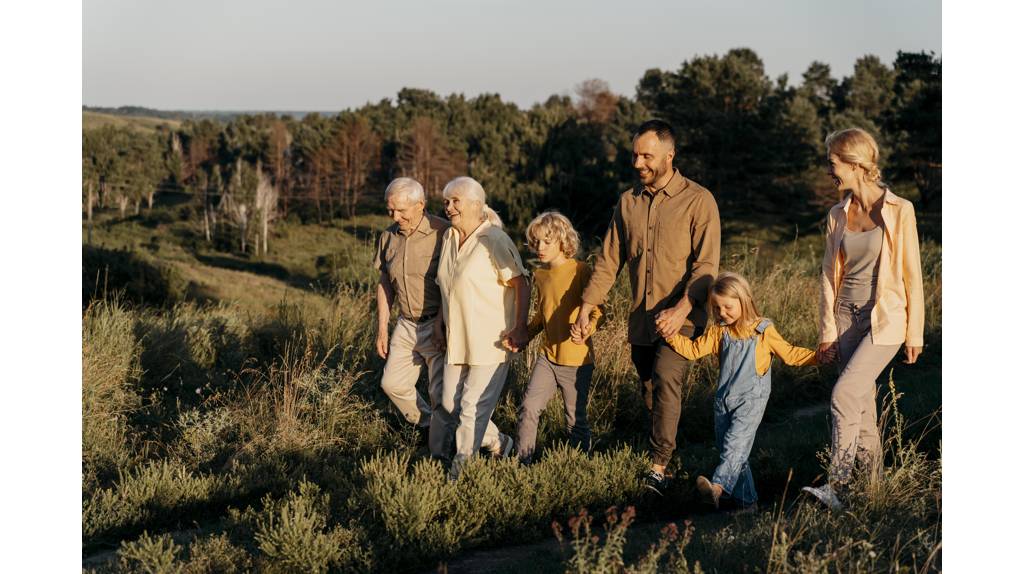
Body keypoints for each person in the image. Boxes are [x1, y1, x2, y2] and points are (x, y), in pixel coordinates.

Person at [572, 119, 721, 494]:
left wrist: (683, 309)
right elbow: (609, 260)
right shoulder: (628, 202)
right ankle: (669, 459)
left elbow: (706, 267)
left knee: (667, 376)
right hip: (643, 317)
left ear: (670, 156)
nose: (639, 163)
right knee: (650, 386)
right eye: (635, 155)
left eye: (647, 156)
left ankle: (658, 466)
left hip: (684, 316)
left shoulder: (698, 200)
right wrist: (588, 305)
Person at [802, 128, 925, 511]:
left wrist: (915, 331)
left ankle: (835, 486)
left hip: (885, 322)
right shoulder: (837, 214)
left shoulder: (899, 210)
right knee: (863, 409)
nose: (829, 171)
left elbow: (911, 275)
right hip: (845, 318)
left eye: (832, 162)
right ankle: (874, 495)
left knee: (843, 393)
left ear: (855, 164)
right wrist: (827, 331)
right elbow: (826, 276)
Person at [664, 272, 816, 512]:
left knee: (734, 447)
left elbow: (790, 354)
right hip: (723, 402)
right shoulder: (719, 332)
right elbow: (693, 350)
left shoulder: (762, 330)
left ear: (743, 300)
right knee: (734, 452)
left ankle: (717, 488)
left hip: (751, 401)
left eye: (727, 306)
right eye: (717, 307)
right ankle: (747, 503)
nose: (722, 312)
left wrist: (819, 356)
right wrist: (669, 335)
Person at [435, 176, 528, 478]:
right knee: (449, 404)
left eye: (455, 201)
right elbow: (447, 286)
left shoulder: (495, 240)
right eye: (446, 201)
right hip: (457, 340)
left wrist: (520, 327)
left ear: (476, 204)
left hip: (491, 341)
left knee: (471, 408)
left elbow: (521, 282)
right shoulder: (450, 237)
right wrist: (439, 323)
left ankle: (459, 473)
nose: (448, 207)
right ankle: (501, 442)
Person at [512, 211, 603, 464]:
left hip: (577, 360)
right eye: (536, 242)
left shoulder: (581, 270)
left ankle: (579, 466)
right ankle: (523, 464)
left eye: (546, 242)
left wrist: (588, 328)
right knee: (529, 407)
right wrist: (523, 337)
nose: (539, 247)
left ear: (562, 242)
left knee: (575, 419)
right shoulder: (539, 275)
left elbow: (598, 310)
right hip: (548, 356)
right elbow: (542, 316)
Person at [373, 177, 451, 458]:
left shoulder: (444, 234)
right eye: (390, 210)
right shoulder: (388, 236)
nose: (395, 217)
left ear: (421, 205)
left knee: (442, 395)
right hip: (405, 324)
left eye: (401, 210)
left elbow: (452, 284)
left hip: (438, 323)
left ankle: (442, 455)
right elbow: (384, 283)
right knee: (391, 384)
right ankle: (431, 425)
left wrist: (443, 323)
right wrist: (382, 328)